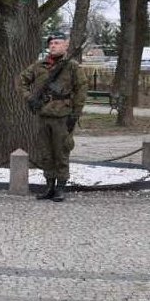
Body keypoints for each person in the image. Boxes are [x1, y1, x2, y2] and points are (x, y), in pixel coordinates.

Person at [19, 32, 87, 202]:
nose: (53, 46)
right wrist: (30, 98)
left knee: (61, 152)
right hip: (43, 115)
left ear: (65, 46)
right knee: (46, 153)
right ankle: (49, 186)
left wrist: (75, 114)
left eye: (57, 43)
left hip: (63, 117)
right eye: (51, 43)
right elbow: (21, 81)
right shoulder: (39, 65)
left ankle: (60, 188)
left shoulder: (72, 66)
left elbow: (81, 90)